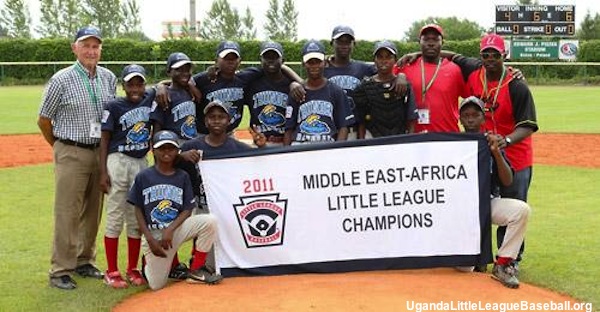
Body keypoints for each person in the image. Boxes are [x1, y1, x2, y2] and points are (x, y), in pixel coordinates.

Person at [443, 33, 538, 268]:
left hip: (514, 153)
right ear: (481, 56)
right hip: (481, 149)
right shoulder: (474, 70)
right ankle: (474, 255)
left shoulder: (516, 85)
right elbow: (450, 55)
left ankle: (509, 260)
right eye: (486, 54)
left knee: (513, 203)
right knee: (475, 200)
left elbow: (527, 125)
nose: (491, 58)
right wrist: (414, 54)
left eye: (496, 54)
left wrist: (504, 141)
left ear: (504, 55)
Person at [38, 26, 116, 290]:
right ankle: (60, 268)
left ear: (100, 50)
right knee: (67, 212)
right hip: (71, 149)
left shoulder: (108, 77)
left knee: (93, 211)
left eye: (95, 46)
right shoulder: (61, 79)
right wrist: (60, 146)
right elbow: (44, 119)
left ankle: (85, 260)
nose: (91, 51)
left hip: (100, 151)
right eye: (86, 46)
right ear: (75, 48)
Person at [175, 100, 266, 273]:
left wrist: (262, 147)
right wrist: (181, 157)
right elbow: (165, 161)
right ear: (205, 121)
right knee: (210, 263)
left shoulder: (237, 147)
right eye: (212, 117)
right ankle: (197, 263)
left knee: (229, 257)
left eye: (221, 117)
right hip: (202, 206)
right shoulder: (192, 146)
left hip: (229, 206)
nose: (216, 121)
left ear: (229, 120)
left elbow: (260, 164)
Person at [127, 130, 223, 290]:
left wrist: (170, 229)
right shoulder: (144, 176)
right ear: (153, 150)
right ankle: (149, 265)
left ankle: (196, 271)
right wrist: (150, 240)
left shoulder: (182, 176)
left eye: (170, 148)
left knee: (210, 221)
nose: (166, 152)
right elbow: (138, 209)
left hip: (176, 230)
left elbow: (187, 208)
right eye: (162, 148)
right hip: (155, 236)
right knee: (156, 285)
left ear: (177, 151)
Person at [458, 96, 531, 289]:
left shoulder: (491, 142)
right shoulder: (452, 144)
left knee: (521, 210)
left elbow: (507, 180)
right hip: (461, 209)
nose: (471, 119)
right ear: (460, 119)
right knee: (465, 269)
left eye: (475, 115)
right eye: (466, 115)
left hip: (488, 203)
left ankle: (503, 264)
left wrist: (496, 153)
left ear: (484, 118)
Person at [99, 64, 154, 288]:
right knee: (114, 215)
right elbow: (104, 138)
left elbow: (163, 86)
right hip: (118, 160)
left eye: (139, 83)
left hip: (141, 161)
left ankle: (132, 268)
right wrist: (103, 171)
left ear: (144, 84)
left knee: (135, 217)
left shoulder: (149, 97)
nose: (135, 87)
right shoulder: (113, 105)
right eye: (130, 83)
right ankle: (112, 270)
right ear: (123, 85)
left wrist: (160, 88)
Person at [325, 25, 408, 139]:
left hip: (353, 130)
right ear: (332, 43)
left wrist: (401, 75)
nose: (344, 45)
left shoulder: (364, 68)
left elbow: (385, 72)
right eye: (339, 41)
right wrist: (294, 82)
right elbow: (307, 85)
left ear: (354, 44)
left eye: (348, 42)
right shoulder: (323, 69)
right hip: (328, 130)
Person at [394, 24, 467, 133]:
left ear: (442, 42)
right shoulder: (405, 66)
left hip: (447, 136)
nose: (431, 43)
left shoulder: (454, 70)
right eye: (426, 39)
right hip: (413, 137)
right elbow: (381, 77)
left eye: (435, 39)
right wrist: (400, 75)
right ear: (419, 42)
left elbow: (469, 97)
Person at [284, 39, 353, 145]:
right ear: (303, 64)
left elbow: (344, 127)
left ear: (325, 63)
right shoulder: (296, 92)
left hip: (327, 148)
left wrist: (337, 151)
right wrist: (285, 156)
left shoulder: (336, 91)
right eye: (310, 62)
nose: (314, 66)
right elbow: (289, 130)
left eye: (318, 61)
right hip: (299, 148)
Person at [354, 40, 418, 138]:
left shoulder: (405, 85)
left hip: (399, 141)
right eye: (380, 57)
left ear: (395, 60)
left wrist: (409, 142)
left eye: (389, 57)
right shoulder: (364, 87)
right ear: (374, 60)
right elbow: (361, 122)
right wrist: (362, 145)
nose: (384, 60)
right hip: (373, 141)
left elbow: (411, 119)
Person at [243, 41, 292, 147]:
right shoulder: (252, 83)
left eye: (275, 57)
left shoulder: (290, 85)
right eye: (266, 57)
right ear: (260, 60)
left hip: (284, 142)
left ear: (282, 60)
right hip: (259, 141)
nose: (270, 60)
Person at [151, 52, 198, 140]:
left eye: (187, 70)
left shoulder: (190, 91)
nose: (184, 73)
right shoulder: (164, 95)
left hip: (191, 141)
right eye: (179, 70)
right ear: (169, 72)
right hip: (172, 144)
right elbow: (157, 126)